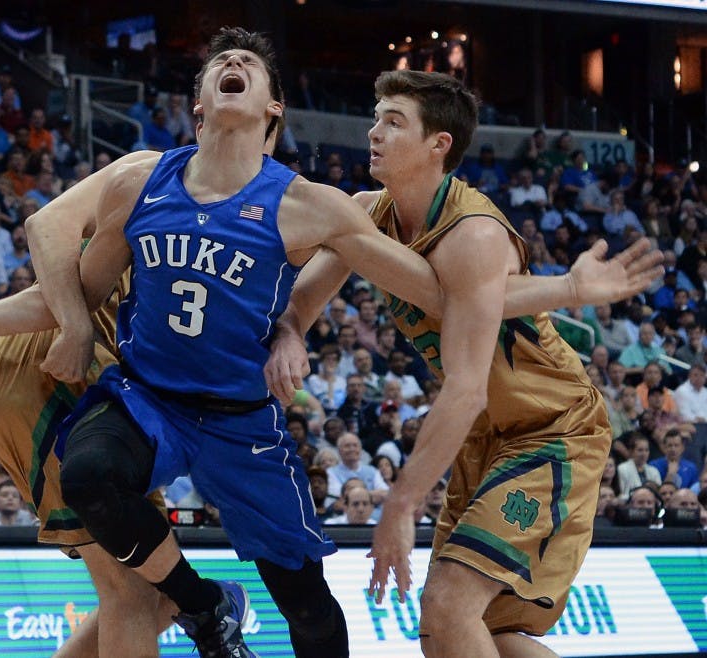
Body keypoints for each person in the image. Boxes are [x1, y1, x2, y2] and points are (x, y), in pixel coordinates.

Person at [0, 31, 660, 658]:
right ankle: (203, 601)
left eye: (250, 62)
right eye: (221, 62)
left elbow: (451, 294)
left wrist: (565, 290)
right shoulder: (146, 181)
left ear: (274, 108)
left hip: (245, 420)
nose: (235, 65)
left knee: (312, 603)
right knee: (90, 475)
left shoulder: (316, 207)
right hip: (148, 399)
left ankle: (221, 602)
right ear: (200, 104)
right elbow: (70, 289)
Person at [264, 69, 663, 657]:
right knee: (462, 633)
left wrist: (399, 505)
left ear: (438, 145)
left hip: (550, 431)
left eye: (393, 122)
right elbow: (303, 298)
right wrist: (291, 334)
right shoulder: (366, 213)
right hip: (486, 440)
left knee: (452, 608)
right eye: (376, 118)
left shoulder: (473, 233)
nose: (373, 132)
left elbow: (467, 389)